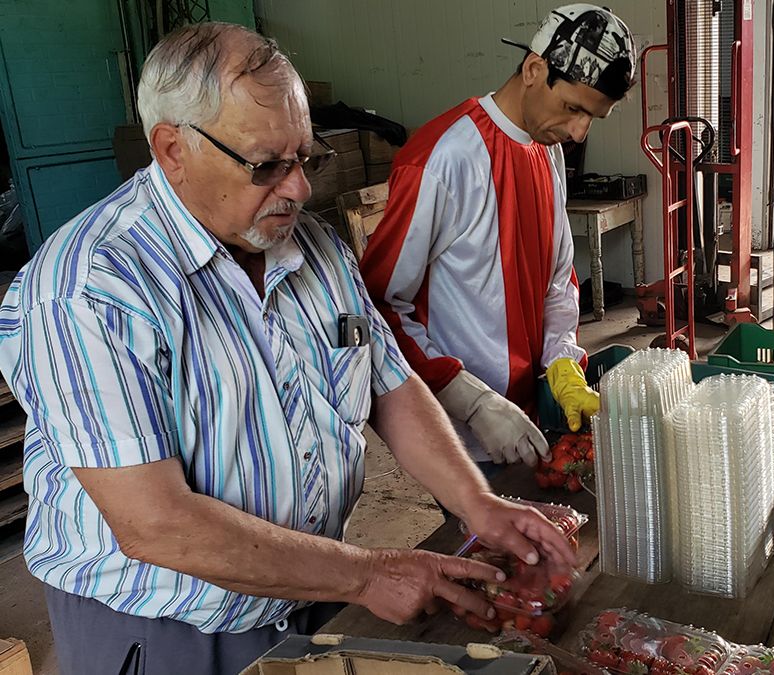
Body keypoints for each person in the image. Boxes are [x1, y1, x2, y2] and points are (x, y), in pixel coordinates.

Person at [0, 22, 572, 675]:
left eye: (306, 156)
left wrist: (479, 503)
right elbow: (156, 523)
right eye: (267, 164)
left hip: (311, 586)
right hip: (165, 628)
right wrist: (365, 575)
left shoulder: (315, 247)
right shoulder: (91, 288)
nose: (298, 187)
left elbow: (390, 385)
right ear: (171, 150)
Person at [360, 4, 635, 471]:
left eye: (593, 118)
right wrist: (471, 402)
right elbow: (379, 306)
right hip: (464, 436)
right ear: (533, 69)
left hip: (532, 418)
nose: (578, 131)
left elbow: (557, 278)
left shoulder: (545, 152)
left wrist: (563, 361)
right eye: (572, 108)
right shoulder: (442, 159)